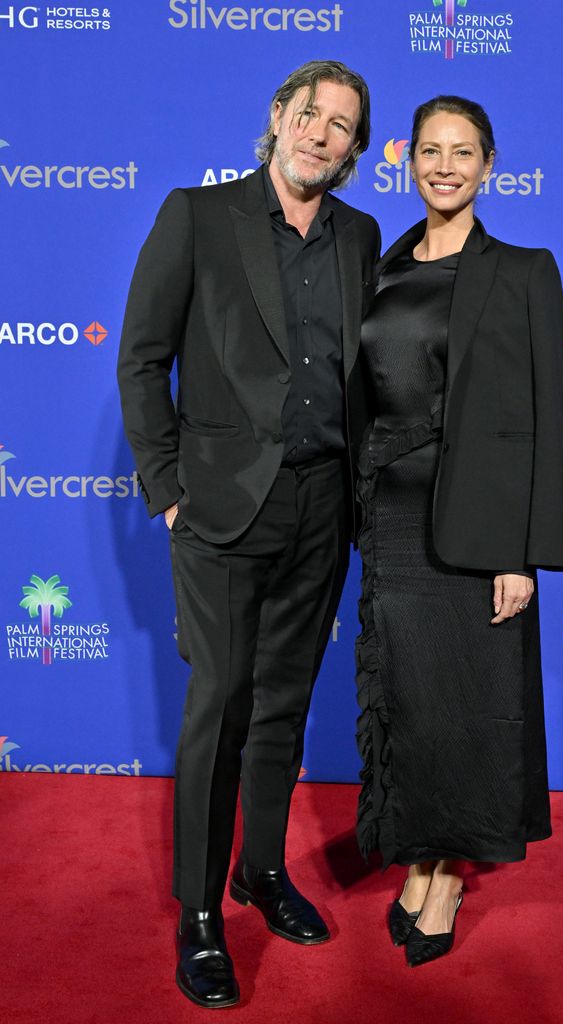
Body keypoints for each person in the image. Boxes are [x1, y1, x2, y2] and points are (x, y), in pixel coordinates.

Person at [117, 61, 380, 1008]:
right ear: (277, 119)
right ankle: (198, 914)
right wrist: (168, 489)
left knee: (282, 706)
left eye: (341, 125)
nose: (320, 133)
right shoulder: (197, 214)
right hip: (223, 507)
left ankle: (258, 872)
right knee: (221, 705)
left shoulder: (359, 236)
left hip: (322, 507)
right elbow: (143, 358)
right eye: (308, 114)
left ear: (354, 149)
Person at [354, 95, 563, 968]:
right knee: (411, 698)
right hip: (389, 518)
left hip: (475, 528)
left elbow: (546, 421)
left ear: (489, 163)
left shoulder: (523, 270)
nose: (445, 166)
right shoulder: (377, 265)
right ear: (407, 160)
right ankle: (417, 852)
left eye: (464, 152)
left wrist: (524, 553)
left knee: (469, 706)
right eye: (430, 151)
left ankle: (446, 874)